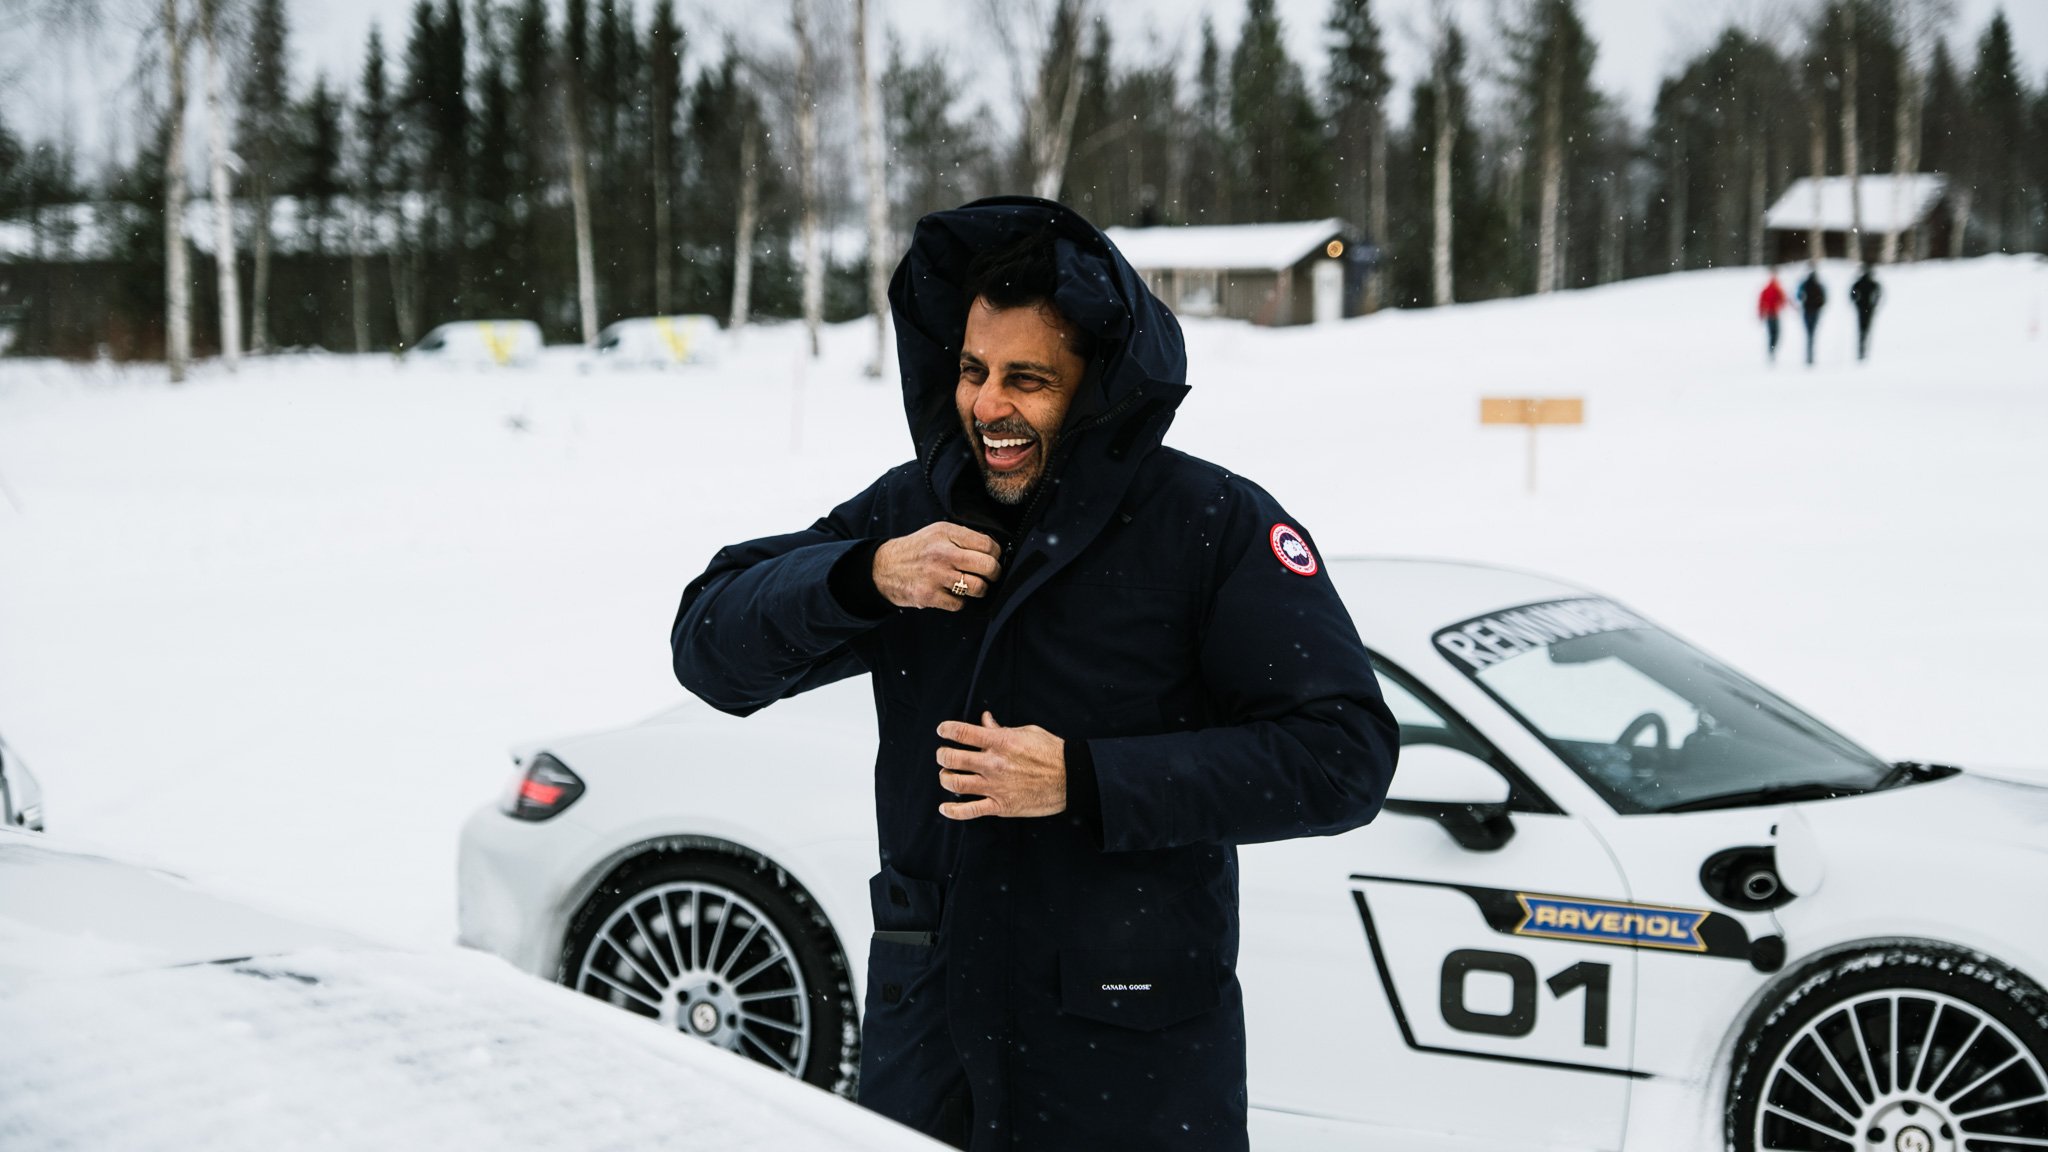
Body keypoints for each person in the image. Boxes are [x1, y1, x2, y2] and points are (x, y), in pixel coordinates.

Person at [669, 197, 1399, 1152]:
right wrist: (867, 573)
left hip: (1131, 1056)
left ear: (1098, 390)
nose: (987, 406)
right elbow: (710, 648)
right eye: (972, 372)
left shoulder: (1210, 524)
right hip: (929, 1045)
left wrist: (1086, 781)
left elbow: (1344, 756)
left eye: (1028, 379)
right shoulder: (915, 512)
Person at [1850, 263, 1883, 361]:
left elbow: (1852, 294)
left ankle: (1862, 350)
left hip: (1862, 308)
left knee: (1862, 330)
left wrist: (1856, 302)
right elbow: (1878, 294)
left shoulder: (1859, 282)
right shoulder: (1872, 283)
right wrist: (1874, 304)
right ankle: (1863, 351)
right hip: (1868, 308)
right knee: (1867, 329)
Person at [1797, 263, 1828, 366]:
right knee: (1812, 333)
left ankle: (1809, 355)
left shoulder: (1805, 284)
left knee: (1809, 333)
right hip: (1815, 311)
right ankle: (1810, 356)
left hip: (1807, 310)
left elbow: (1798, 296)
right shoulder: (1819, 284)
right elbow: (1824, 297)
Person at [1758, 268, 1788, 364]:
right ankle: (1772, 350)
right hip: (1773, 314)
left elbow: (1761, 302)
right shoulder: (1775, 288)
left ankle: (1771, 350)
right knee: (1775, 334)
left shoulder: (1768, 289)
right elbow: (1783, 300)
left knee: (1772, 334)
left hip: (1770, 314)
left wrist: (1761, 313)